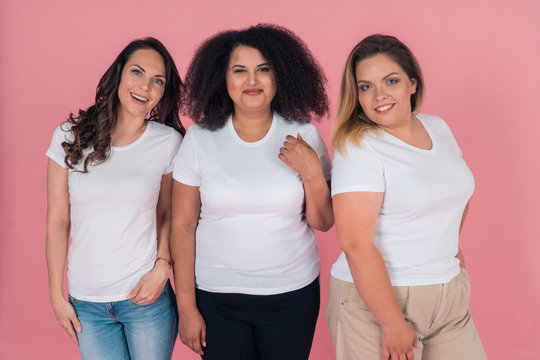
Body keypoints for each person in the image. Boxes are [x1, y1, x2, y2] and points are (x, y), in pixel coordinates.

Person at [170, 24, 333, 360]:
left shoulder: (305, 135)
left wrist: (313, 173)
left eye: (264, 70)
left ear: (281, 76)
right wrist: (186, 306)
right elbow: (182, 225)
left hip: (293, 295)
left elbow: (324, 222)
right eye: (239, 71)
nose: (252, 81)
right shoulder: (200, 139)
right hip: (216, 298)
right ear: (222, 78)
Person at [326, 34, 487, 360]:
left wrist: (452, 250)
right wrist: (391, 322)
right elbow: (355, 242)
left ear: (413, 84)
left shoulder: (437, 127)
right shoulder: (359, 146)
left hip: (447, 295)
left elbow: (457, 190)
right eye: (366, 86)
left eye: (391, 81)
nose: (379, 95)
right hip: (376, 304)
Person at [46, 37, 184, 360]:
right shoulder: (69, 136)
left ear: (164, 92)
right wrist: (55, 293)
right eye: (137, 72)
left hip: (147, 300)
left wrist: (163, 266)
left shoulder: (168, 142)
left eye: (157, 80)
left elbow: (168, 214)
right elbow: (57, 219)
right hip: (87, 304)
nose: (145, 86)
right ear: (118, 75)